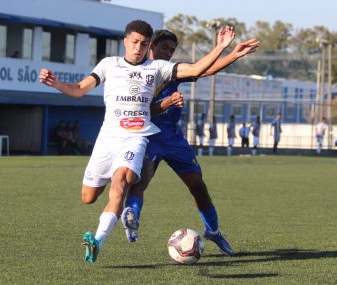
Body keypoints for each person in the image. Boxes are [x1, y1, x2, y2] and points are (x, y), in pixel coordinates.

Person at [39, 20, 237, 263]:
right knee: (88, 197)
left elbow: (197, 69)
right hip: (108, 138)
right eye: (135, 42)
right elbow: (80, 89)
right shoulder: (108, 64)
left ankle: (97, 242)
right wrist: (56, 84)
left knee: (121, 183)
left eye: (143, 44)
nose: (138, 48)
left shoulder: (158, 68)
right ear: (125, 41)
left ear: (148, 45)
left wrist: (221, 47)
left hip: (137, 137)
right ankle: (124, 216)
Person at [121, 29, 259, 256]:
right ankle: (132, 217)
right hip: (147, 137)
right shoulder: (135, 73)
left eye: (171, 50)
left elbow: (203, 69)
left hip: (174, 139)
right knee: (141, 180)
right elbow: (138, 109)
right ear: (151, 46)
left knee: (198, 186)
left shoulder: (172, 71)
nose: (168, 52)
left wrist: (234, 54)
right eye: (164, 47)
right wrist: (166, 103)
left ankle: (213, 230)